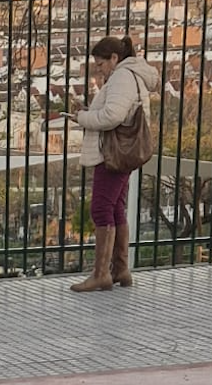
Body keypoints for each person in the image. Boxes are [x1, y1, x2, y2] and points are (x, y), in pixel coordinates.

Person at [58, 36, 160, 292]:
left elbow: (113, 116)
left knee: (101, 208)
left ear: (114, 58)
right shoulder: (130, 75)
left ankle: (102, 273)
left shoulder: (122, 78)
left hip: (111, 152)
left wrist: (83, 117)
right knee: (115, 208)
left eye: (101, 64)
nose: (98, 69)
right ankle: (120, 269)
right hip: (123, 150)